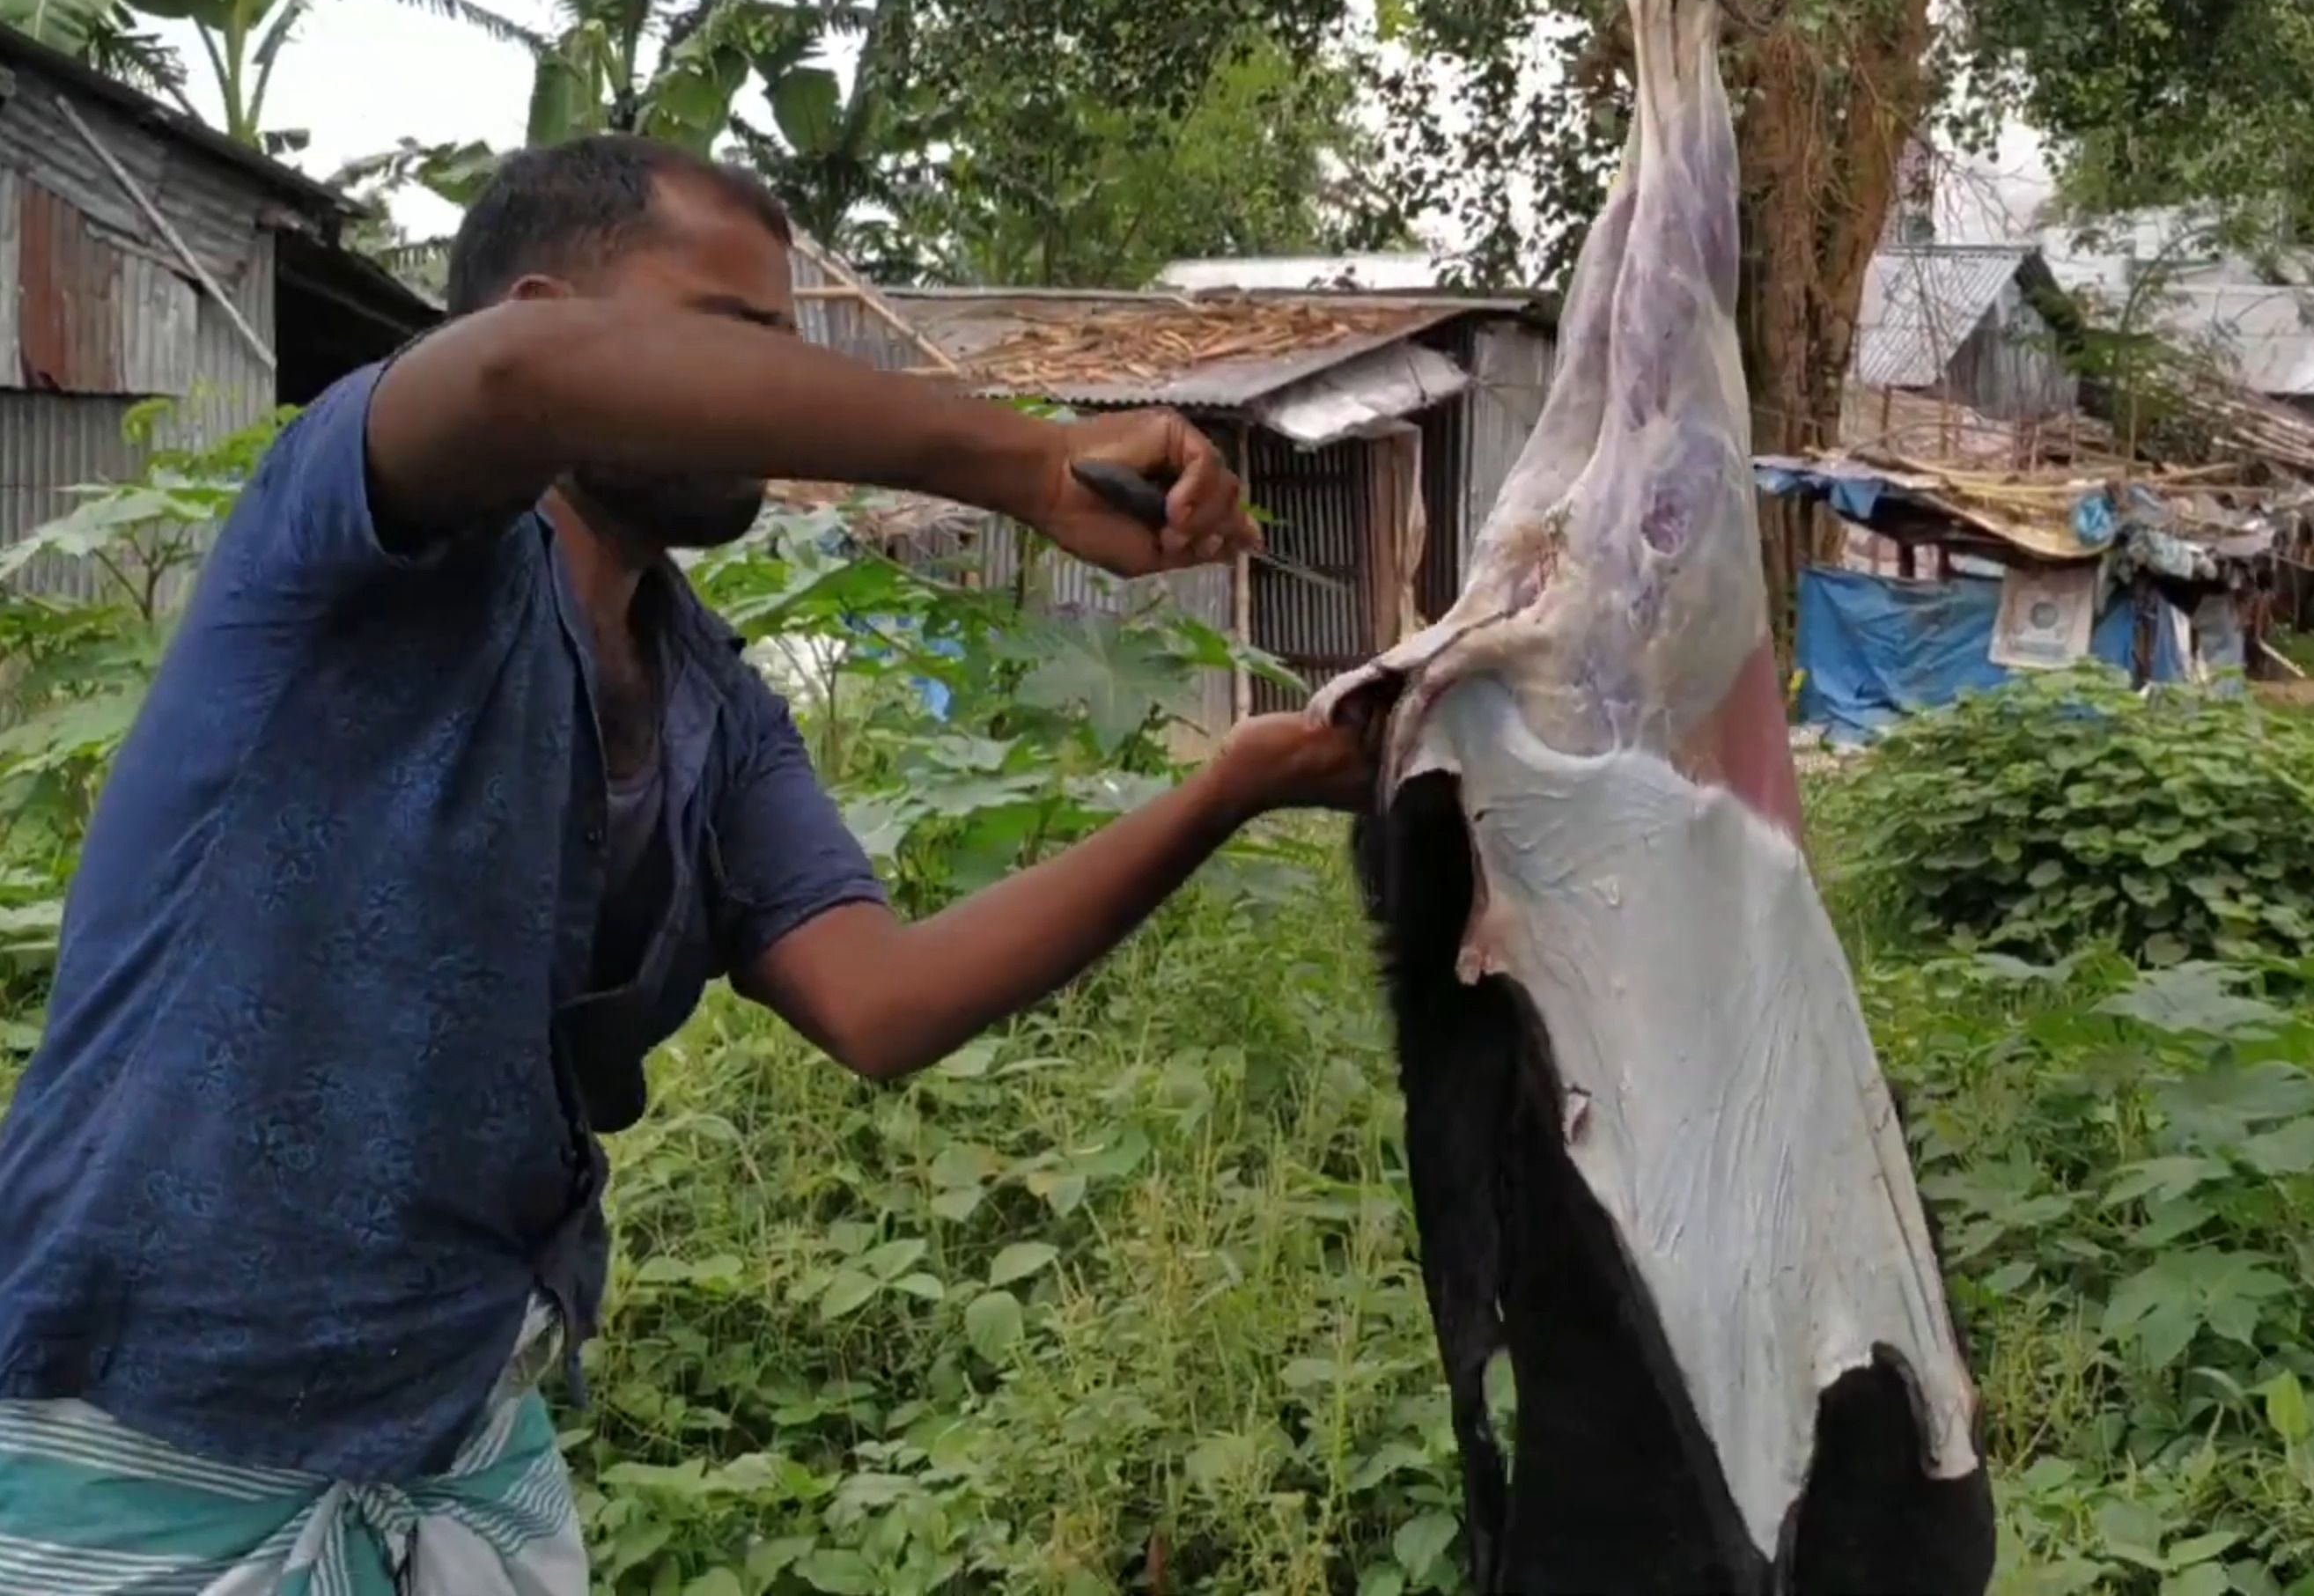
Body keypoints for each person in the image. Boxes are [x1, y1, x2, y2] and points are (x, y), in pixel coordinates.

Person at [0, 136, 1375, 1591]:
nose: (778, 395)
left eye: (788, 346)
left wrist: (1229, 791)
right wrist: (1016, 456)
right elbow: (517, 379)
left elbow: (882, 1001)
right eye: (736, 340)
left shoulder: (710, 702)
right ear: (540, 306)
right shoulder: (364, 535)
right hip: (136, 1453)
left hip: (453, 1448)